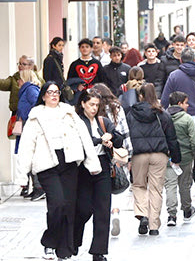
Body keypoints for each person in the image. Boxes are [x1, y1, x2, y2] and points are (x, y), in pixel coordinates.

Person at [15, 81, 101, 260]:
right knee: (57, 205)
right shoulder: (35, 116)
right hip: (47, 165)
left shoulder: (69, 113)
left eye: (57, 92)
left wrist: (92, 163)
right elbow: (26, 147)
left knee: (69, 207)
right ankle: (49, 241)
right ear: (44, 95)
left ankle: (64, 250)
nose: (54, 95)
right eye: (50, 92)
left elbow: (85, 138)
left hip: (69, 162)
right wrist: (22, 175)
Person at [73, 89, 123, 261]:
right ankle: (74, 239)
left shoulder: (103, 121)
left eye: (97, 105)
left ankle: (98, 251)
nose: (94, 108)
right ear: (83, 104)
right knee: (83, 209)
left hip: (102, 166)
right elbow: (80, 141)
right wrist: (99, 140)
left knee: (103, 210)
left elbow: (119, 139)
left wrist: (111, 137)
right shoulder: (77, 122)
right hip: (83, 167)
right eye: (91, 104)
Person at [126, 83, 182, 236]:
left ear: (141, 96)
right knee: (156, 189)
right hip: (159, 154)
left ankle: (143, 214)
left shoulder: (131, 114)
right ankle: (154, 225)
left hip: (139, 154)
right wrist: (176, 157)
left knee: (139, 185)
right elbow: (172, 138)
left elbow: (127, 134)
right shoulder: (162, 114)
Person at [160, 48, 195, 188]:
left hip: (178, 116)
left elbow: (165, 99)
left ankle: (180, 177)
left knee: (180, 146)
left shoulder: (174, 76)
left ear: (181, 60)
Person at [91, 83, 133, 238]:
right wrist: (129, 154)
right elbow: (124, 131)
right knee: (117, 183)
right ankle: (115, 211)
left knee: (101, 188)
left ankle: (103, 215)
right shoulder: (116, 108)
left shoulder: (93, 109)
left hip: (99, 153)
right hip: (116, 152)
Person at [164, 91, 195, 227]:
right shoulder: (187, 119)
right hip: (185, 157)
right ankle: (186, 209)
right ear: (179, 104)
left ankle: (171, 214)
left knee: (170, 185)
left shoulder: (163, 117)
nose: (188, 105)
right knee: (184, 184)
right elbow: (193, 139)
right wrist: (193, 153)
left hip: (168, 157)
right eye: (185, 103)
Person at [16, 69, 43, 200]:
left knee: (31, 156)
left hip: (29, 125)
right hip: (26, 124)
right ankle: (35, 187)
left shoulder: (30, 90)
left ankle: (39, 188)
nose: (18, 81)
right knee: (27, 156)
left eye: (20, 78)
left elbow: (36, 105)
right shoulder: (27, 89)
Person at [0, 55, 43, 126]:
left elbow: (37, 103)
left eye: (24, 64)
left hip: (29, 116)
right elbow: (2, 83)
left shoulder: (37, 83)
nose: (20, 66)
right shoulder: (15, 78)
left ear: (31, 66)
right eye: (19, 63)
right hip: (17, 113)